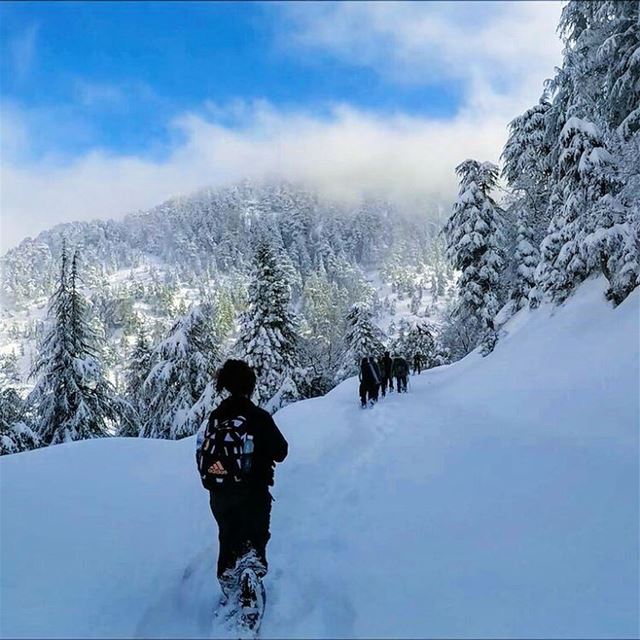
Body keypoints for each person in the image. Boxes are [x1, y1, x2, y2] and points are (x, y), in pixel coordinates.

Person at [196, 359, 288, 622]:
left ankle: (229, 582)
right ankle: (250, 578)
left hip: (220, 492)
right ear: (250, 386)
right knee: (255, 534)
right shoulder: (259, 417)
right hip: (255, 490)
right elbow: (281, 452)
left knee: (228, 534)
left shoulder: (215, 417)